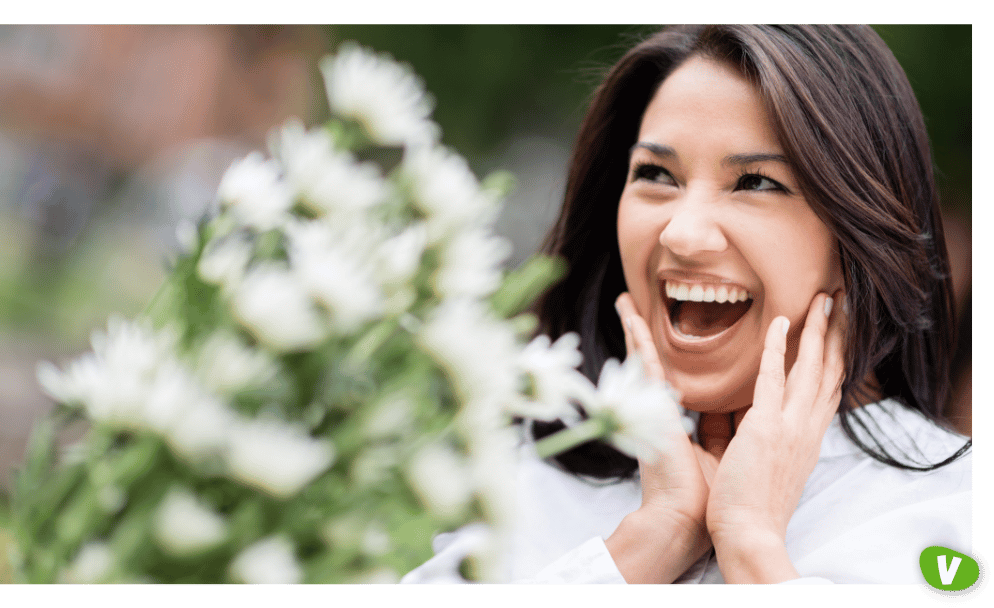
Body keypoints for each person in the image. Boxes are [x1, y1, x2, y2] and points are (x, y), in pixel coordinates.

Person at [401, 24, 972, 585]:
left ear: (859, 231)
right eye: (655, 175)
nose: (683, 233)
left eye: (756, 182)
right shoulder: (527, 472)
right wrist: (647, 545)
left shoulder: (953, 511)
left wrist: (750, 546)